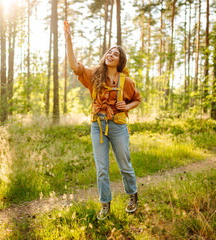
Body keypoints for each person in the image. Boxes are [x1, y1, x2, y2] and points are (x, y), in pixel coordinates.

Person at [63, 21, 141, 220]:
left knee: (125, 165)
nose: (110, 55)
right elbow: (74, 65)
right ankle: (105, 205)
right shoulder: (94, 75)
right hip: (97, 125)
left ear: (120, 61)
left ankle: (132, 195)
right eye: (109, 52)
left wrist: (127, 106)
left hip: (118, 125)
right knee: (102, 169)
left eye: (115, 54)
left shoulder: (127, 82)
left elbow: (137, 99)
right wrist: (68, 39)